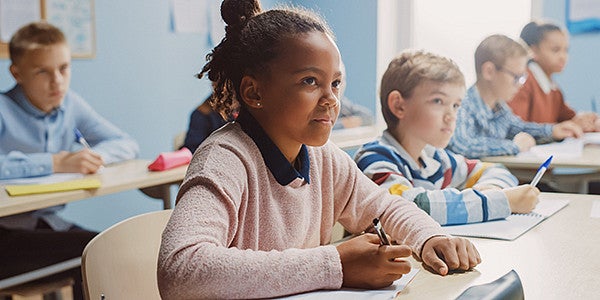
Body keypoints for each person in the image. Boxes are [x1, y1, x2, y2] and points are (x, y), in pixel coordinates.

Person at [158, 1, 480, 299]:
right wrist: (335, 264)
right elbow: (180, 269)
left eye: (335, 84)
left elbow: (385, 207)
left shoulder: (324, 158)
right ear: (254, 92)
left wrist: (430, 239)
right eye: (310, 81)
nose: (331, 100)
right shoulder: (225, 160)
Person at [0, 22, 139, 299]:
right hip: (5, 232)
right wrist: (55, 162)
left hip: (45, 224)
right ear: (17, 73)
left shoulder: (69, 105)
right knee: (93, 251)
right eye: (43, 71)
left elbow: (126, 144)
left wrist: (92, 158)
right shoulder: (3, 109)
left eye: (64, 68)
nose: (57, 82)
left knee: (109, 248)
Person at [354, 50, 539, 226]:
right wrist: (501, 201)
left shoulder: (435, 158)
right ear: (399, 105)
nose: (451, 116)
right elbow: (410, 208)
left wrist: (490, 189)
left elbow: (497, 170)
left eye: (456, 105)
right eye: (438, 101)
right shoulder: (374, 159)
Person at [447, 34, 582, 159]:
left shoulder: (499, 107)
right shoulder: (462, 105)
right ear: (489, 71)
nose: (520, 84)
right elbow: (463, 145)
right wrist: (514, 146)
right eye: (516, 77)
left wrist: (553, 131)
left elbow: (517, 127)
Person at [508, 20, 599, 131]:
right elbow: (516, 128)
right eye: (555, 50)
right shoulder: (523, 82)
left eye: (566, 50)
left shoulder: (553, 89)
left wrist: (585, 120)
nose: (563, 56)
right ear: (533, 50)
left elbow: (568, 118)